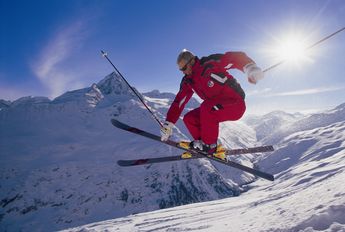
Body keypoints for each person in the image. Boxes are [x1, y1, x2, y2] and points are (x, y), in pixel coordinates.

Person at [160, 49, 264, 160]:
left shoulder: (209, 64)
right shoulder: (188, 80)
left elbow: (234, 57)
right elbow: (179, 101)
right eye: (181, 70)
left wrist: (249, 67)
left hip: (235, 104)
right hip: (215, 107)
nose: (183, 72)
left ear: (191, 62)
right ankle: (201, 144)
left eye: (184, 68)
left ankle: (209, 146)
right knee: (189, 118)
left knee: (207, 107)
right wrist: (168, 123)